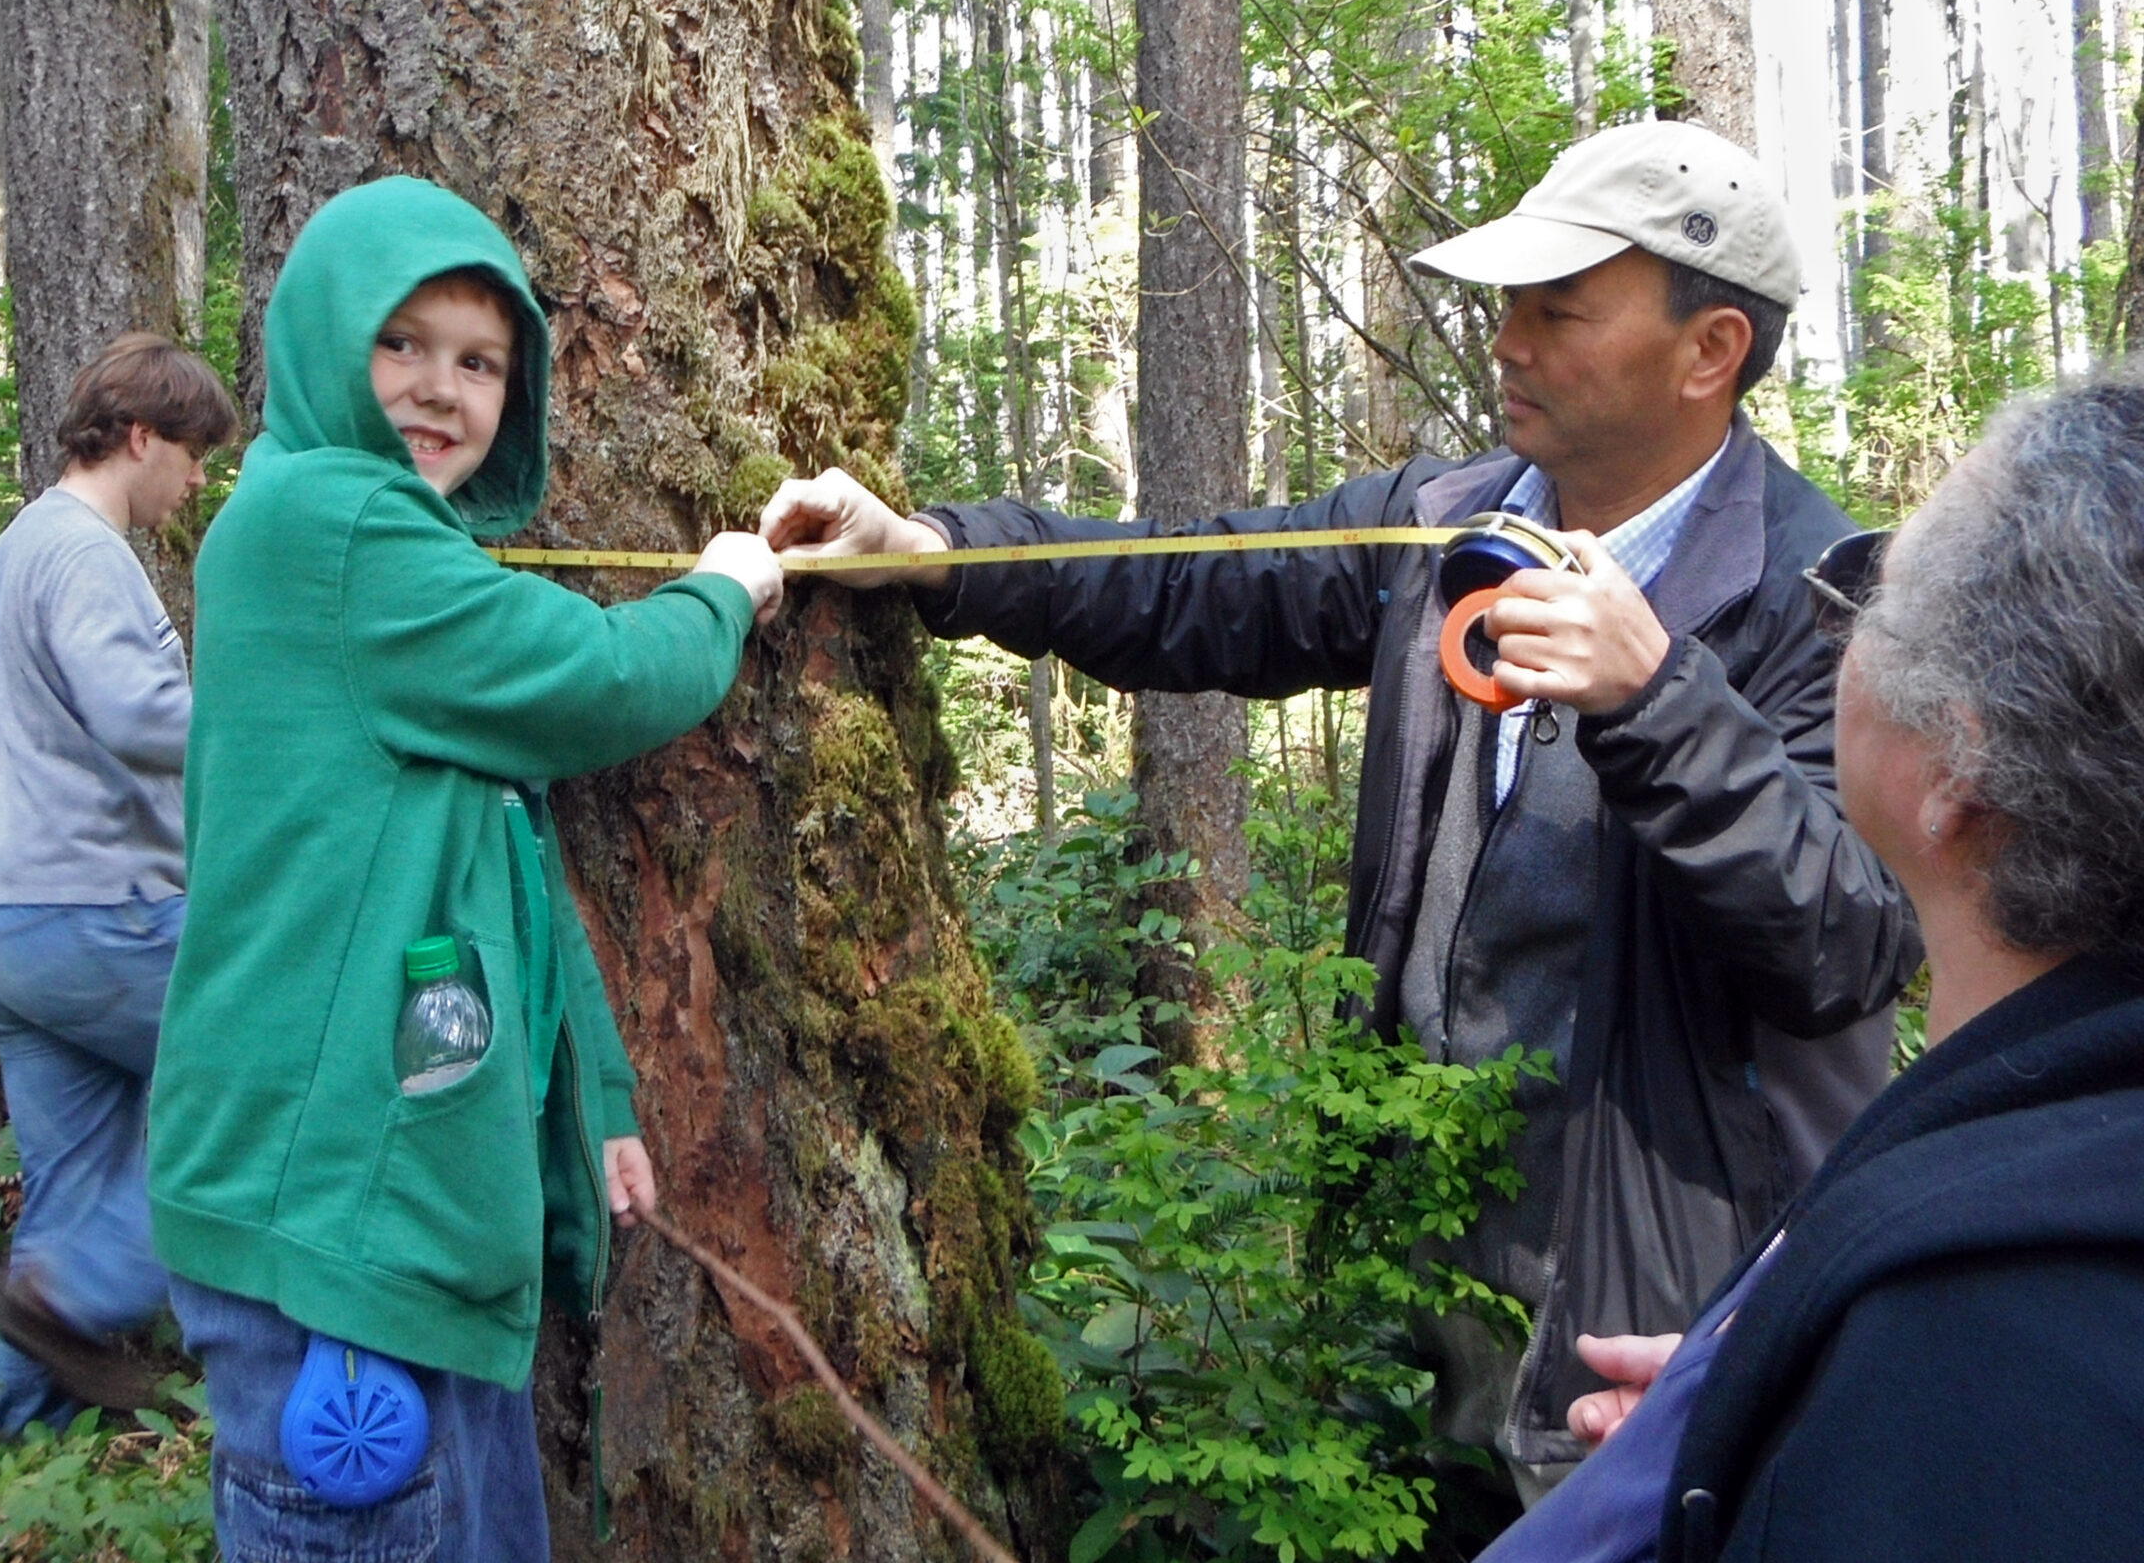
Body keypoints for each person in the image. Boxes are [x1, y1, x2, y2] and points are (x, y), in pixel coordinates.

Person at [763, 120, 1919, 1498]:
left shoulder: (1829, 604)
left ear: (1710, 351)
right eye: (1506, 305)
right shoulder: (1452, 523)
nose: (1507, 340)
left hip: (1658, 1331)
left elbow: (1851, 939)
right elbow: (1199, 585)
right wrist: (940, 555)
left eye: (1559, 311)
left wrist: (1654, 694)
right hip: (1416, 1298)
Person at [145, 176, 782, 1560]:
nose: (442, 388)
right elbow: (608, 676)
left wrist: (593, 1096)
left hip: (392, 1228)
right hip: (339, 1248)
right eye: (403, 344)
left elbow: (499, 850)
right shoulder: (332, 526)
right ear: (321, 343)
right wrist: (727, 586)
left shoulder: (374, 552)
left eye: (481, 361)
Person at [1483, 362, 2144, 1562]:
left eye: (1873, 602)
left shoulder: (1975, 1322)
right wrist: (1776, 1391)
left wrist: (1860, 1401)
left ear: (1960, 770)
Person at [0, 331, 240, 1434]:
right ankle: (73, 1299)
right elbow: (136, 715)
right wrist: (264, 722)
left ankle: (22, 1462)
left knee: (68, 1202)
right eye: (192, 451)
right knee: (266, 1081)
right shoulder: (81, 549)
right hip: (96, 913)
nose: (199, 477)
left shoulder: (21, 545)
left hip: (7, 930)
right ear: (138, 437)